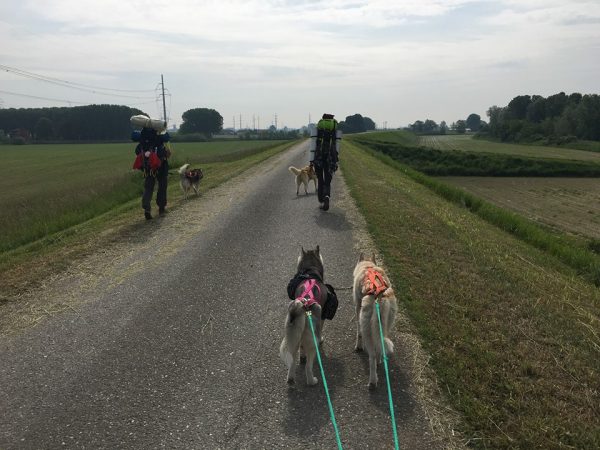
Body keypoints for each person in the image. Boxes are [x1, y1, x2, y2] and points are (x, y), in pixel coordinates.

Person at [132, 127, 171, 220]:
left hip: (148, 168)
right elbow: (167, 153)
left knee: (148, 188)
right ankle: (161, 208)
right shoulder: (160, 138)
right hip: (161, 167)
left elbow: (137, 152)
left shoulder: (142, 141)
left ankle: (147, 209)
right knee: (162, 186)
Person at [309, 113, 340, 211]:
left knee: (320, 179)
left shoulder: (320, 125)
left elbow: (313, 143)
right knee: (327, 179)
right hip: (330, 156)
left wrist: (311, 161)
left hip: (318, 155)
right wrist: (336, 159)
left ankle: (321, 200)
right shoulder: (334, 126)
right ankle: (326, 196)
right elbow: (337, 143)